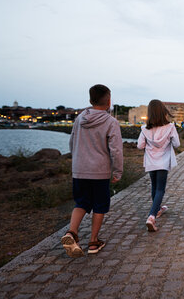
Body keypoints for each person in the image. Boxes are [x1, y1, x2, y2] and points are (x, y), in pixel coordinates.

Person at [61, 84, 123, 257]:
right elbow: (116, 150)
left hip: (80, 170)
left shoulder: (80, 119)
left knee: (81, 202)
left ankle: (71, 232)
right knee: (99, 205)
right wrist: (117, 172)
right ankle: (93, 241)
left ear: (90, 100)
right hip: (99, 171)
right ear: (109, 100)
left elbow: (72, 143)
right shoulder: (111, 122)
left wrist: (77, 161)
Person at [137, 99, 180, 232]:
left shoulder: (144, 129)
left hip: (151, 161)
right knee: (160, 189)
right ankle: (152, 216)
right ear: (163, 112)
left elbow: (140, 146)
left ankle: (158, 209)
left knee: (154, 187)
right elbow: (177, 144)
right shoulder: (170, 127)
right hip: (163, 161)